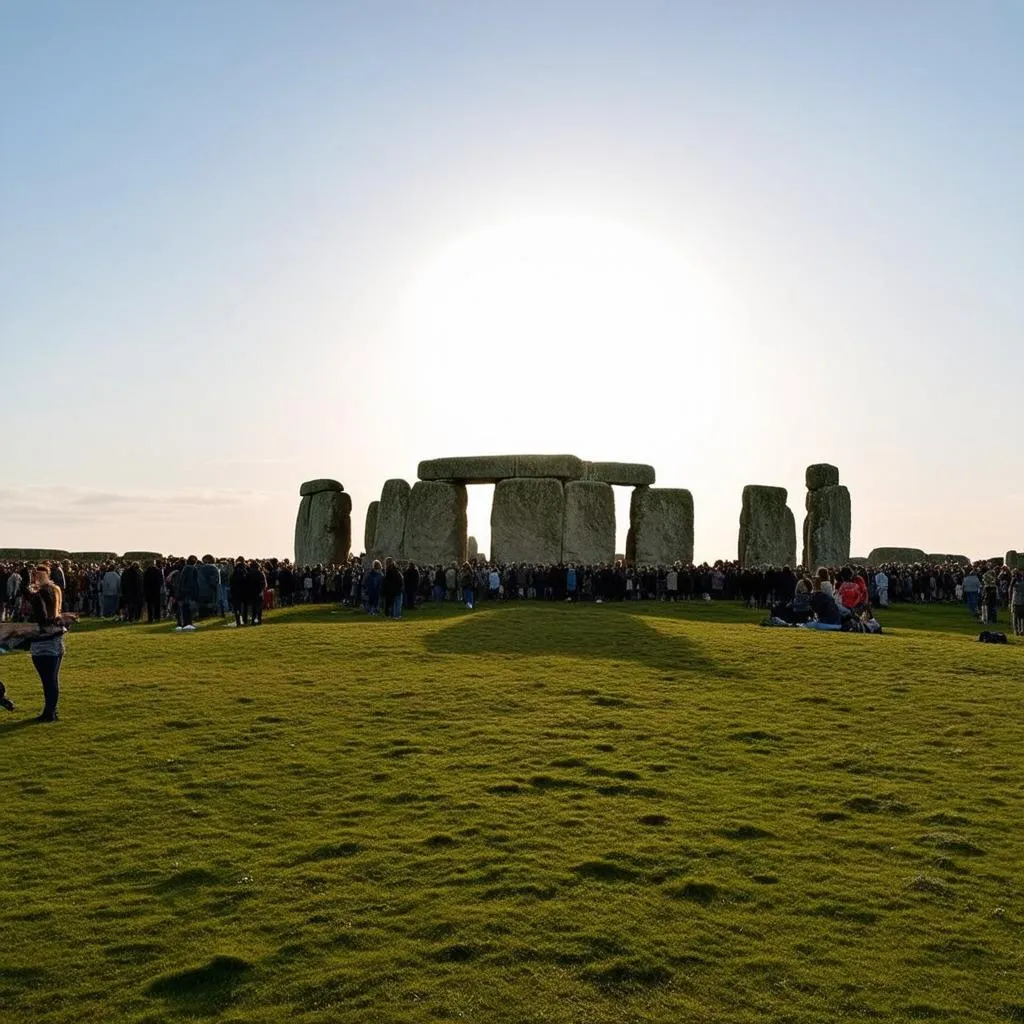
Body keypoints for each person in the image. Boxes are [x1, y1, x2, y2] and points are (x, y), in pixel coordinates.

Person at [26, 565, 68, 721]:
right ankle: (51, 710)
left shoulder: (40, 594)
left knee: (47, 680)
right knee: (52, 679)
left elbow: (42, 618)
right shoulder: (55, 589)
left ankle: (49, 712)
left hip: (43, 641)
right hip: (56, 638)